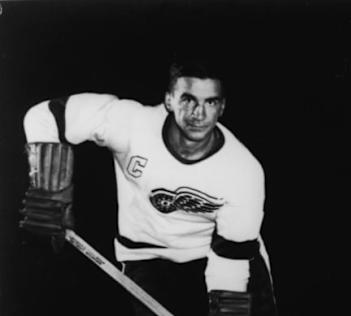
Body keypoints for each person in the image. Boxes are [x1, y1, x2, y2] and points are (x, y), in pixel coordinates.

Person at [19, 58, 277, 316]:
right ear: (169, 100)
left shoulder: (243, 172)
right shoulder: (132, 125)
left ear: (221, 107)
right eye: (188, 99)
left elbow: (231, 260)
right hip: (146, 256)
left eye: (210, 102)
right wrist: (50, 192)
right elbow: (44, 116)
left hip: (220, 258)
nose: (198, 113)